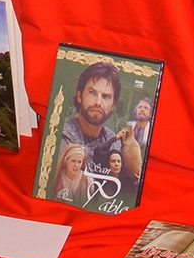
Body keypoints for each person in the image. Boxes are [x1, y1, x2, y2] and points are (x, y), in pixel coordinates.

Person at [60, 60, 142, 188]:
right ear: (79, 96)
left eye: (106, 96)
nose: (98, 102)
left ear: (113, 105)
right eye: (92, 93)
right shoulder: (61, 135)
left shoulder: (114, 142)